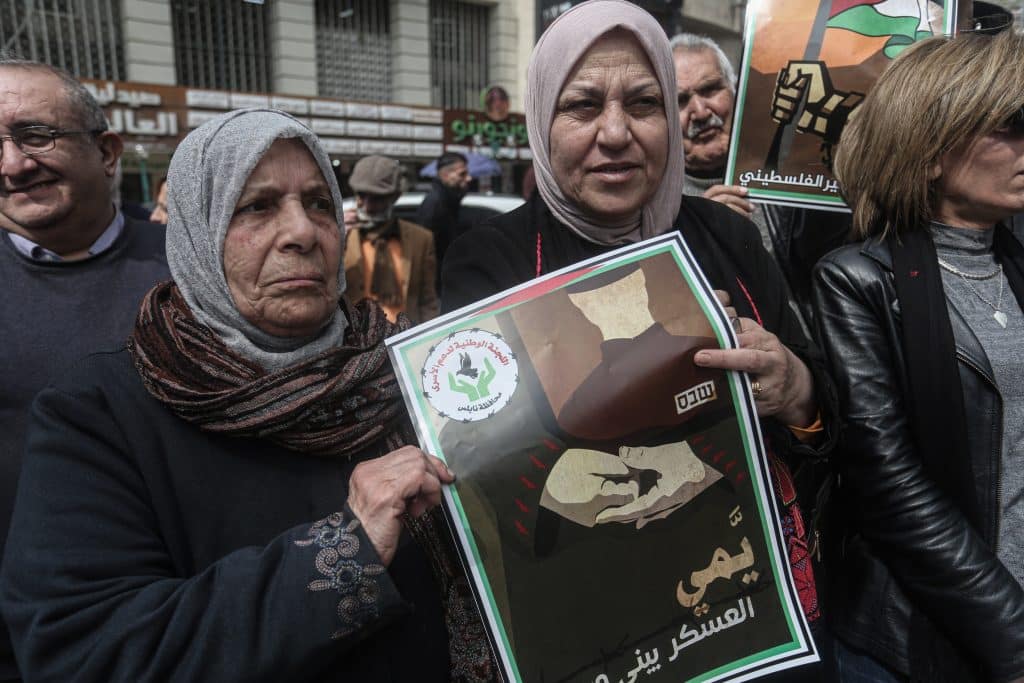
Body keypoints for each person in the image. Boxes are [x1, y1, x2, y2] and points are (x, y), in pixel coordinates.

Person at [0, 109, 495, 682]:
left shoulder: (412, 373)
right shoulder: (98, 415)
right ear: (196, 230)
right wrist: (343, 555)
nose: (302, 233)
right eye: (256, 206)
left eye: (318, 203)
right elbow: (87, 653)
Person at [442, 0, 836, 679]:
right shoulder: (494, 262)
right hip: (598, 634)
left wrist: (796, 389)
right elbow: (478, 467)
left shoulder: (730, 241)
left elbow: (822, 422)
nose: (617, 132)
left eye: (644, 103)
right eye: (583, 106)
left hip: (750, 614)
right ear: (541, 118)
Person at [813, 30, 1024, 682]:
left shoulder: (1017, 268)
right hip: (918, 644)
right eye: (1011, 125)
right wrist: (1014, 635)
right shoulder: (857, 280)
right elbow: (894, 494)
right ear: (930, 153)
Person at [0, 58, 169, 682]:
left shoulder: (192, 272)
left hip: (172, 628)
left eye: (36, 135)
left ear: (107, 151)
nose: (13, 165)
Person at [670, 33, 850, 325]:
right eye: (680, 101)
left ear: (736, 90)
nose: (701, 112)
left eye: (711, 89)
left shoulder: (792, 165)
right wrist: (704, 234)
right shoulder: (665, 213)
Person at [342, 154, 438, 325]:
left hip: (403, 338)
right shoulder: (342, 235)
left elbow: (427, 300)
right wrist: (337, 241)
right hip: (355, 340)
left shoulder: (421, 239)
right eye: (362, 195)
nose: (367, 205)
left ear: (395, 196)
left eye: (377, 198)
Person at [415, 151, 471, 286]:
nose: (468, 178)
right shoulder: (435, 204)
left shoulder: (449, 200)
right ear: (445, 175)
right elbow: (424, 252)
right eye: (462, 174)